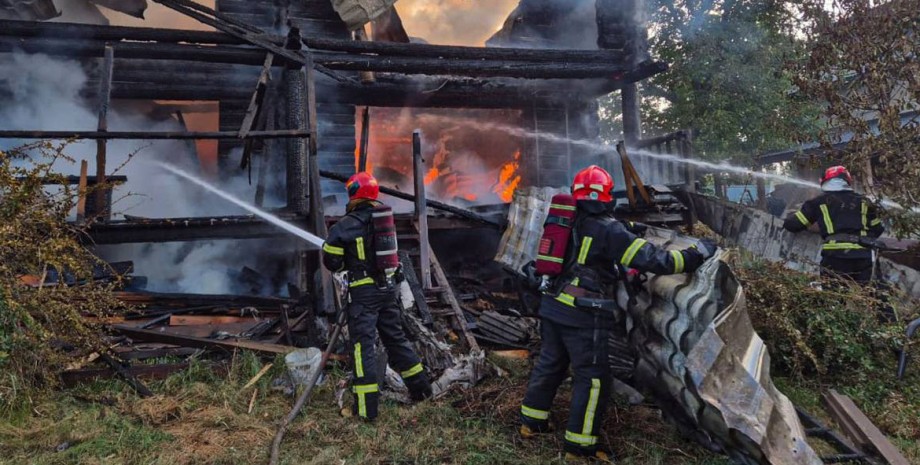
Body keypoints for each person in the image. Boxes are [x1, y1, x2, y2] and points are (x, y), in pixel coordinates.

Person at [519, 165, 717, 462]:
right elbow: (658, 260)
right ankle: (580, 447)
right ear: (607, 196)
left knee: (550, 365)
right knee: (593, 379)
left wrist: (627, 230)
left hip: (553, 305)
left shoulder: (566, 217)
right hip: (583, 315)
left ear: (576, 193)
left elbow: (592, 241)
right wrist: (697, 253)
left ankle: (531, 424)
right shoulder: (609, 230)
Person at [321, 172, 432, 421]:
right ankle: (422, 391)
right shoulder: (384, 219)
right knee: (396, 339)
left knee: (363, 348)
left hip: (364, 295)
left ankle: (365, 409)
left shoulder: (345, 225)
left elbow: (332, 262)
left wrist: (344, 259)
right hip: (388, 290)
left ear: (354, 194)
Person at [783, 166, 884, 283]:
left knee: (835, 291)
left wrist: (789, 216)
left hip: (835, 256)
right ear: (847, 181)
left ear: (825, 181)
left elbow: (793, 225)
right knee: (869, 292)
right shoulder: (864, 202)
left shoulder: (818, 202)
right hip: (864, 256)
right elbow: (878, 229)